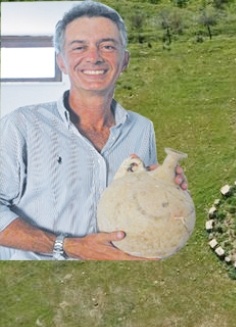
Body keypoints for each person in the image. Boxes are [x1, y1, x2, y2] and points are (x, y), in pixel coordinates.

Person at [0, 1, 186, 260]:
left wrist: (163, 185)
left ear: (125, 60)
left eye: (107, 46)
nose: (94, 57)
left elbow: (140, 206)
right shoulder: (20, 125)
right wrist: (68, 246)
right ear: (61, 61)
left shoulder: (142, 128)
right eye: (79, 47)